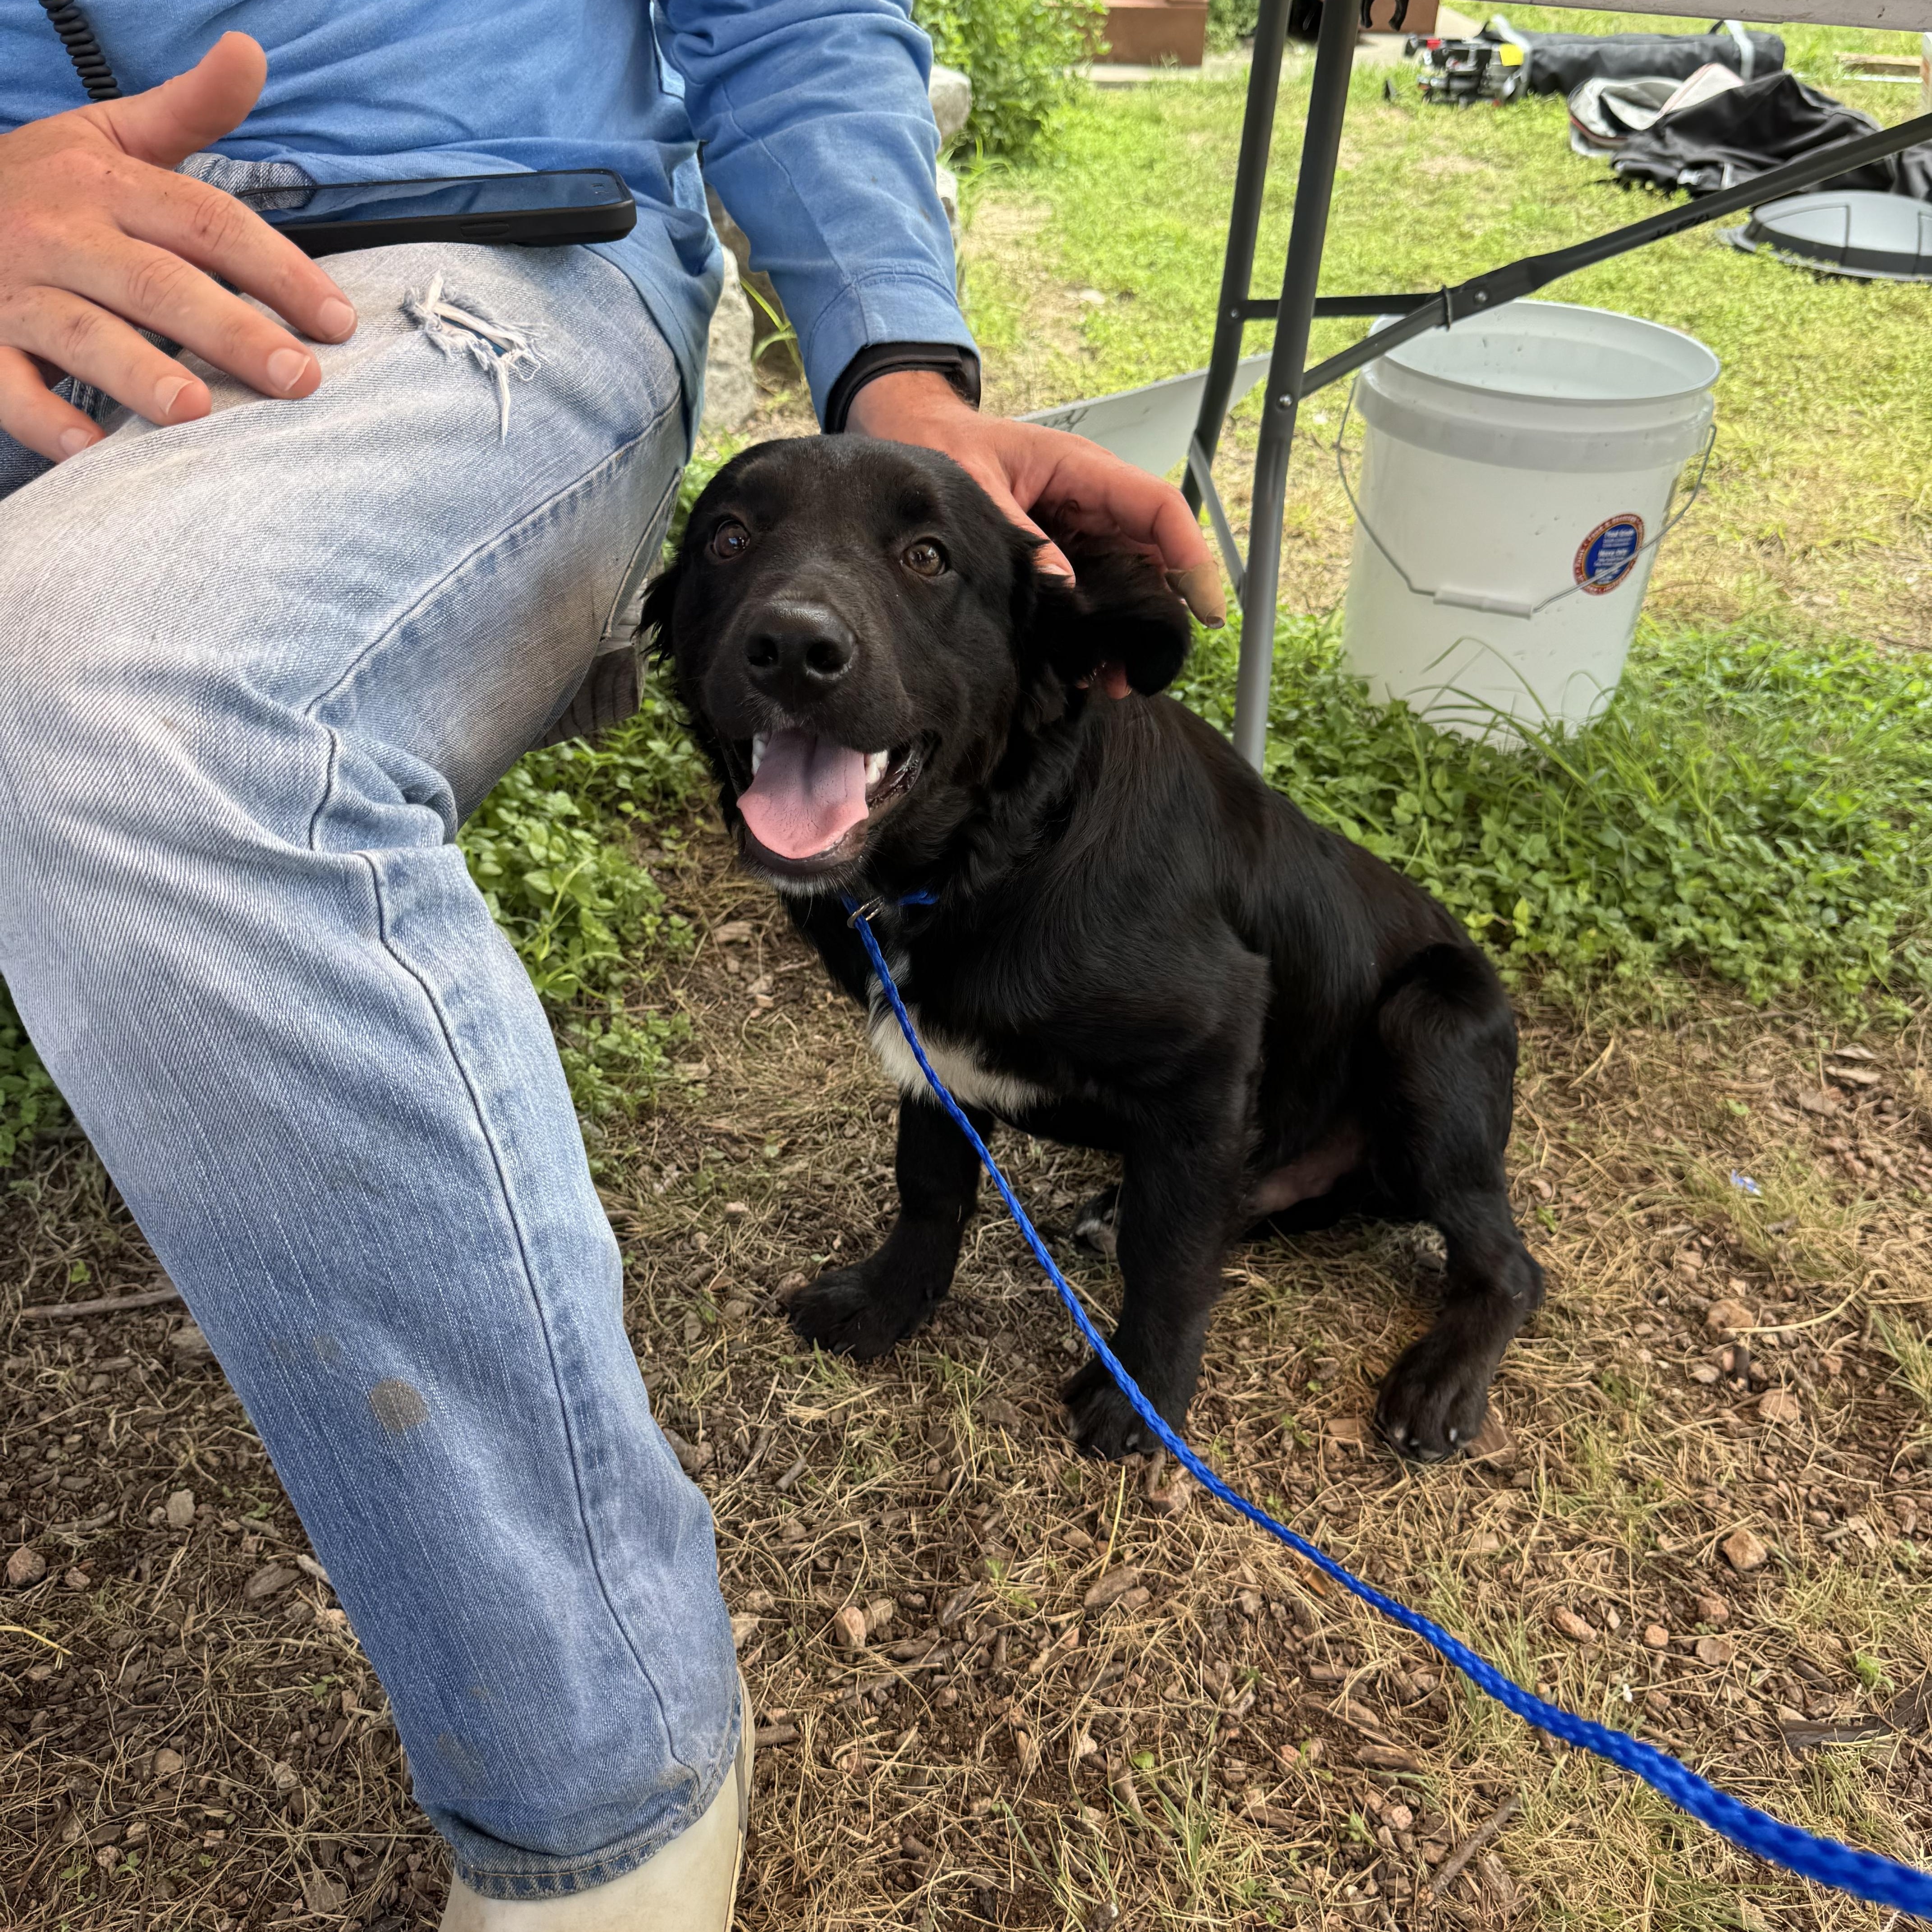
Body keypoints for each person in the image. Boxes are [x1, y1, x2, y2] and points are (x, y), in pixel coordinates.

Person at [0, 9, 1221, 1926]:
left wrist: (904, 379)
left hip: (449, 254)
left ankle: (594, 1777)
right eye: (751, 558)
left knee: (114, 691)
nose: (805, 617)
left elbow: (801, 17)